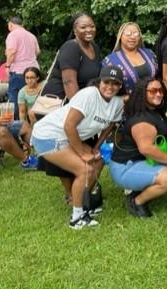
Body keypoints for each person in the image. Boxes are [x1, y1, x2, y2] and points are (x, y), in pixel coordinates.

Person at [31, 66, 125, 229]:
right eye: (106, 82)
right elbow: (69, 125)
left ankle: (88, 204)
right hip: (48, 135)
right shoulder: (89, 95)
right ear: (99, 82)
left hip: (66, 135)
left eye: (115, 83)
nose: (110, 87)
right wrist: (82, 153)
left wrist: (96, 146)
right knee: (85, 169)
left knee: (98, 160)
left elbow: (110, 126)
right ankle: (77, 217)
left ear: (120, 86)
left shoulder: (117, 103)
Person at [38, 13, 102, 202]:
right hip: (64, 102)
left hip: (82, 100)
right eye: (83, 27)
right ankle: (70, 194)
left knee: (84, 143)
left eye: (91, 26)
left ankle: (82, 186)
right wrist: (80, 110)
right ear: (75, 30)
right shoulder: (70, 48)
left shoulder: (94, 47)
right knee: (65, 144)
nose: (88, 30)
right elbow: (69, 81)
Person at [109, 77, 167, 218]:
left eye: (160, 90)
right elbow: (146, 148)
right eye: (152, 91)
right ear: (142, 94)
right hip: (125, 167)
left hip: (139, 161)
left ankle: (138, 190)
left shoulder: (155, 111)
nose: (158, 94)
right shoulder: (142, 121)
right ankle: (137, 201)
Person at [102, 22, 158, 95]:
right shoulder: (110, 61)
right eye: (128, 34)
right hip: (126, 103)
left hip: (152, 100)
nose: (132, 37)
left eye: (136, 34)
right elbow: (106, 88)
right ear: (120, 36)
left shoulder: (150, 53)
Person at [4, 16, 40, 119]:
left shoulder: (12, 35)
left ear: (11, 24)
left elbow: (11, 52)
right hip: (34, 71)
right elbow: (37, 52)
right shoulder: (31, 35)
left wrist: (7, 66)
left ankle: (14, 125)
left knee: (15, 98)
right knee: (33, 96)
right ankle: (32, 122)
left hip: (19, 71)